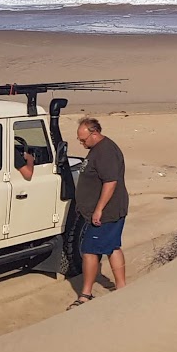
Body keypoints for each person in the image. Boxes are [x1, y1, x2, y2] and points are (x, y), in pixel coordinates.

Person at [69, 115, 128, 307]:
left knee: (89, 251)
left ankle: (85, 294)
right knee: (112, 247)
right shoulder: (97, 149)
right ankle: (122, 288)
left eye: (83, 139)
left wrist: (98, 210)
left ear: (94, 133)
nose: (81, 143)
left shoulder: (106, 152)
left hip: (107, 212)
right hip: (103, 211)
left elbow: (111, 182)